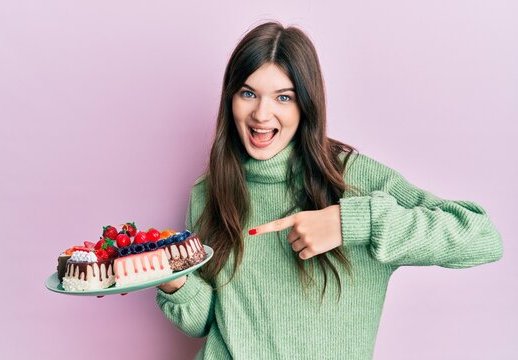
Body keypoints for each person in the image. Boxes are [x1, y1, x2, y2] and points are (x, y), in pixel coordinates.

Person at [155, 21, 503, 359]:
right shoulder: (208, 191)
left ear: (306, 104)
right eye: (248, 93)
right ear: (231, 99)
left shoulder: (351, 178)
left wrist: (350, 223)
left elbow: (481, 236)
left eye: (283, 97)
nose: (262, 113)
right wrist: (176, 282)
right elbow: (207, 321)